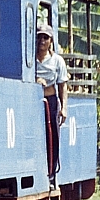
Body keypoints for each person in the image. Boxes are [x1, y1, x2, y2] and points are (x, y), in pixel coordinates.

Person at [34, 23, 69, 179]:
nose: (42, 40)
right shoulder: (30, 59)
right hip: (33, 101)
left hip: (51, 100)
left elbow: (62, 86)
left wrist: (64, 108)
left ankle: (51, 171)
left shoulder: (57, 61)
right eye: (39, 37)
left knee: (52, 135)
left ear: (51, 40)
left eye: (45, 37)